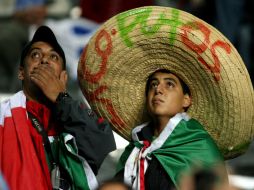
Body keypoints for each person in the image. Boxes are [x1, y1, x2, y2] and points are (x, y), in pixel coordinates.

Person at [77, 5, 254, 190]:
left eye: (169, 84)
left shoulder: (199, 147)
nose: (158, 90)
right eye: (153, 84)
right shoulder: (135, 150)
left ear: (186, 100)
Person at [0, 25, 116, 190]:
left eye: (53, 57)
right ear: (21, 73)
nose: (45, 60)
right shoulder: (2, 117)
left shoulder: (76, 115)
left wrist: (62, 98)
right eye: (36, 55)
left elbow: (101, 148)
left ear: (64, 77)